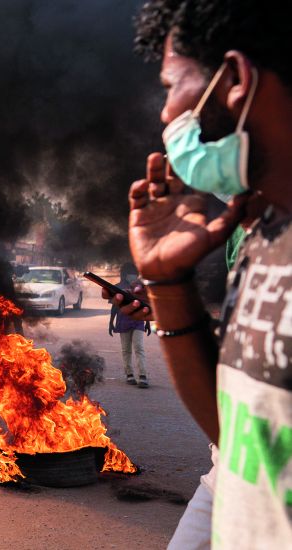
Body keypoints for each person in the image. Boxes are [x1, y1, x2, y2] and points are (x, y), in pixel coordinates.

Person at [120, 2, 292, 547]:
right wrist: (168, 285)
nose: (166, 113)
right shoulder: (263, 233)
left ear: (235, 79)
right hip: (233, 488)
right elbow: (243, 433)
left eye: (173, 85)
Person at [108, 263, 151, 387]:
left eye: (135, 274)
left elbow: (145, 306)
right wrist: (111, 323)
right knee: (126, 350)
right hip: (123, 321)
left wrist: (147, 322)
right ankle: (129, 374)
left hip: (138, 321)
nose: (133, 276)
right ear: (124, 275)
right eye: (130, 274)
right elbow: (114, 307)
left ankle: (142, 376)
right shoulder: (117, 288)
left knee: (139, 347)